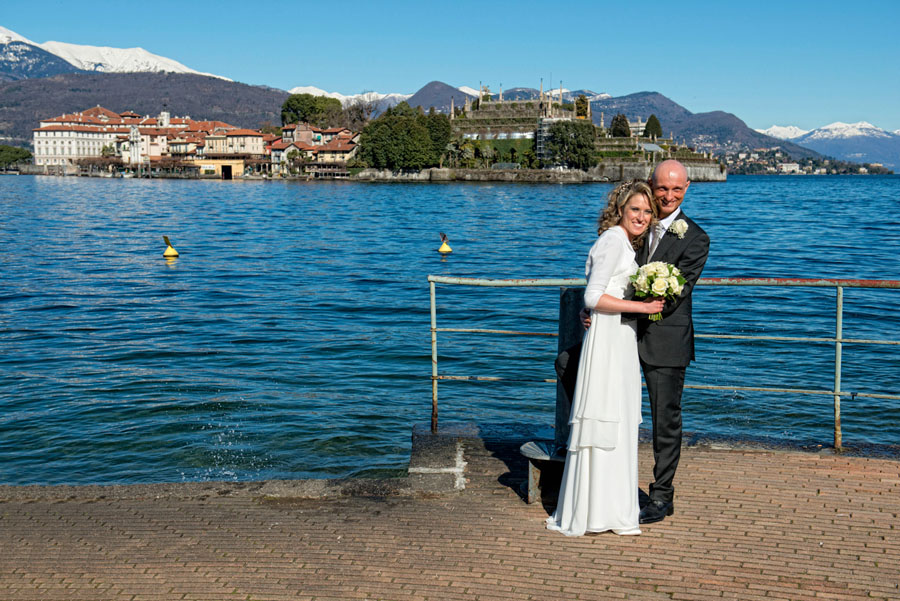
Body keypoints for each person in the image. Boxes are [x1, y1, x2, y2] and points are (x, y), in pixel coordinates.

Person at [546, 181, 664, 537]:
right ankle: (599, 510)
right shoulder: (614, 240)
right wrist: (642, 307)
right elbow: (594, 296)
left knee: (616, 418)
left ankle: (607, 506)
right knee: (608, 417)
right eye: (635, 210)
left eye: (647, 211)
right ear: (620, 210)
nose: (642, 217)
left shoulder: (624, 242)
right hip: (609, 339)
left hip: (618, 336)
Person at [635, 159, 710, 524]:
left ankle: (662, 495)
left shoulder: (695, 238)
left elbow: (673, 296)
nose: (667, 195)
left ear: (687, 189)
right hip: (619, 333)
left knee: (664, 420)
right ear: (651, 183)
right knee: (568, 367)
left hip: (665, 339)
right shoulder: (634, 222)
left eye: (675, 189)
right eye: (662, 187)